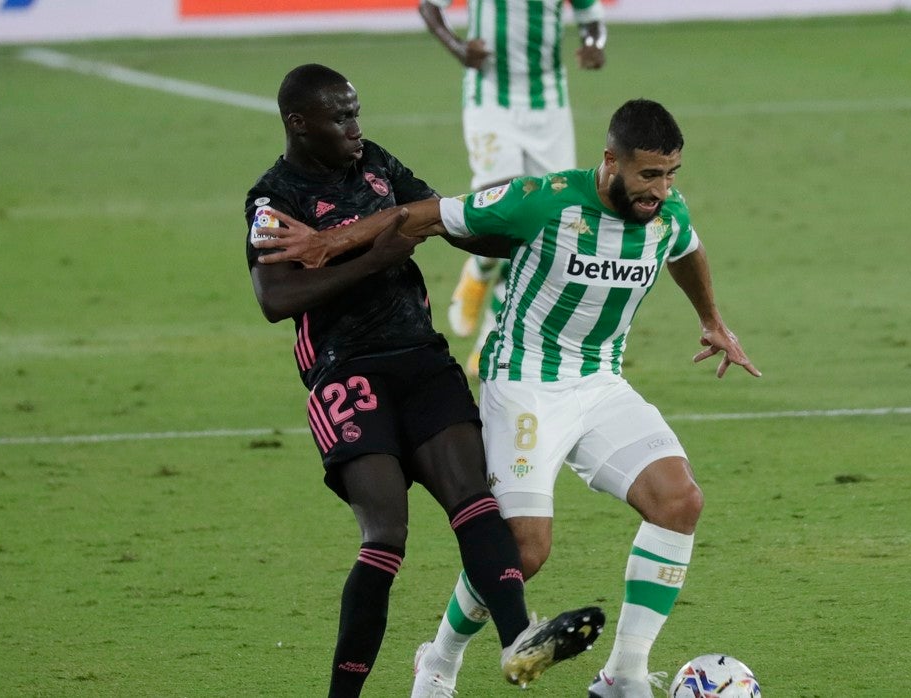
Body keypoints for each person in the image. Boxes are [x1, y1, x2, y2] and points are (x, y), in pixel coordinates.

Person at [255, 98, 761, 698]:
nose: (661, 189)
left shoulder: (667, 213)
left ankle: (623, 675)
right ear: (611, 161)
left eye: (671, 174)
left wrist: (712, 320)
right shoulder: (543, 199)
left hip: (600, 382)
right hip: (523, 383)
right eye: (649, 174)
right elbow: (425, 214)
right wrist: (328, 243)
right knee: (523, 549)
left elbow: (687, 250)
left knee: (679, 502)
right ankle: (438, 660)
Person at [243, 63, 604, 698]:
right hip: (346, 372)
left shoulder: (376, 164)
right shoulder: (274, 199)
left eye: (356, 113)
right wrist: (375, 256)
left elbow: (442, 219)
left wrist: (530, 233)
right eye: (341, 117)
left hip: (421, 359)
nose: (356, 128)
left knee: (475, 501)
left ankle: (519, 641)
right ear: (299, 124)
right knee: (386, 537)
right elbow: (276, 298)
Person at [418, 0, 607, 376]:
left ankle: (492, 333)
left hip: (549, 106)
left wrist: (594, 45)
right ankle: (480, 269)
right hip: (489, 100)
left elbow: (592, 21)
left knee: (547, 220)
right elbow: (429, 7)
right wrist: (458, 48)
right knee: (497, 205)